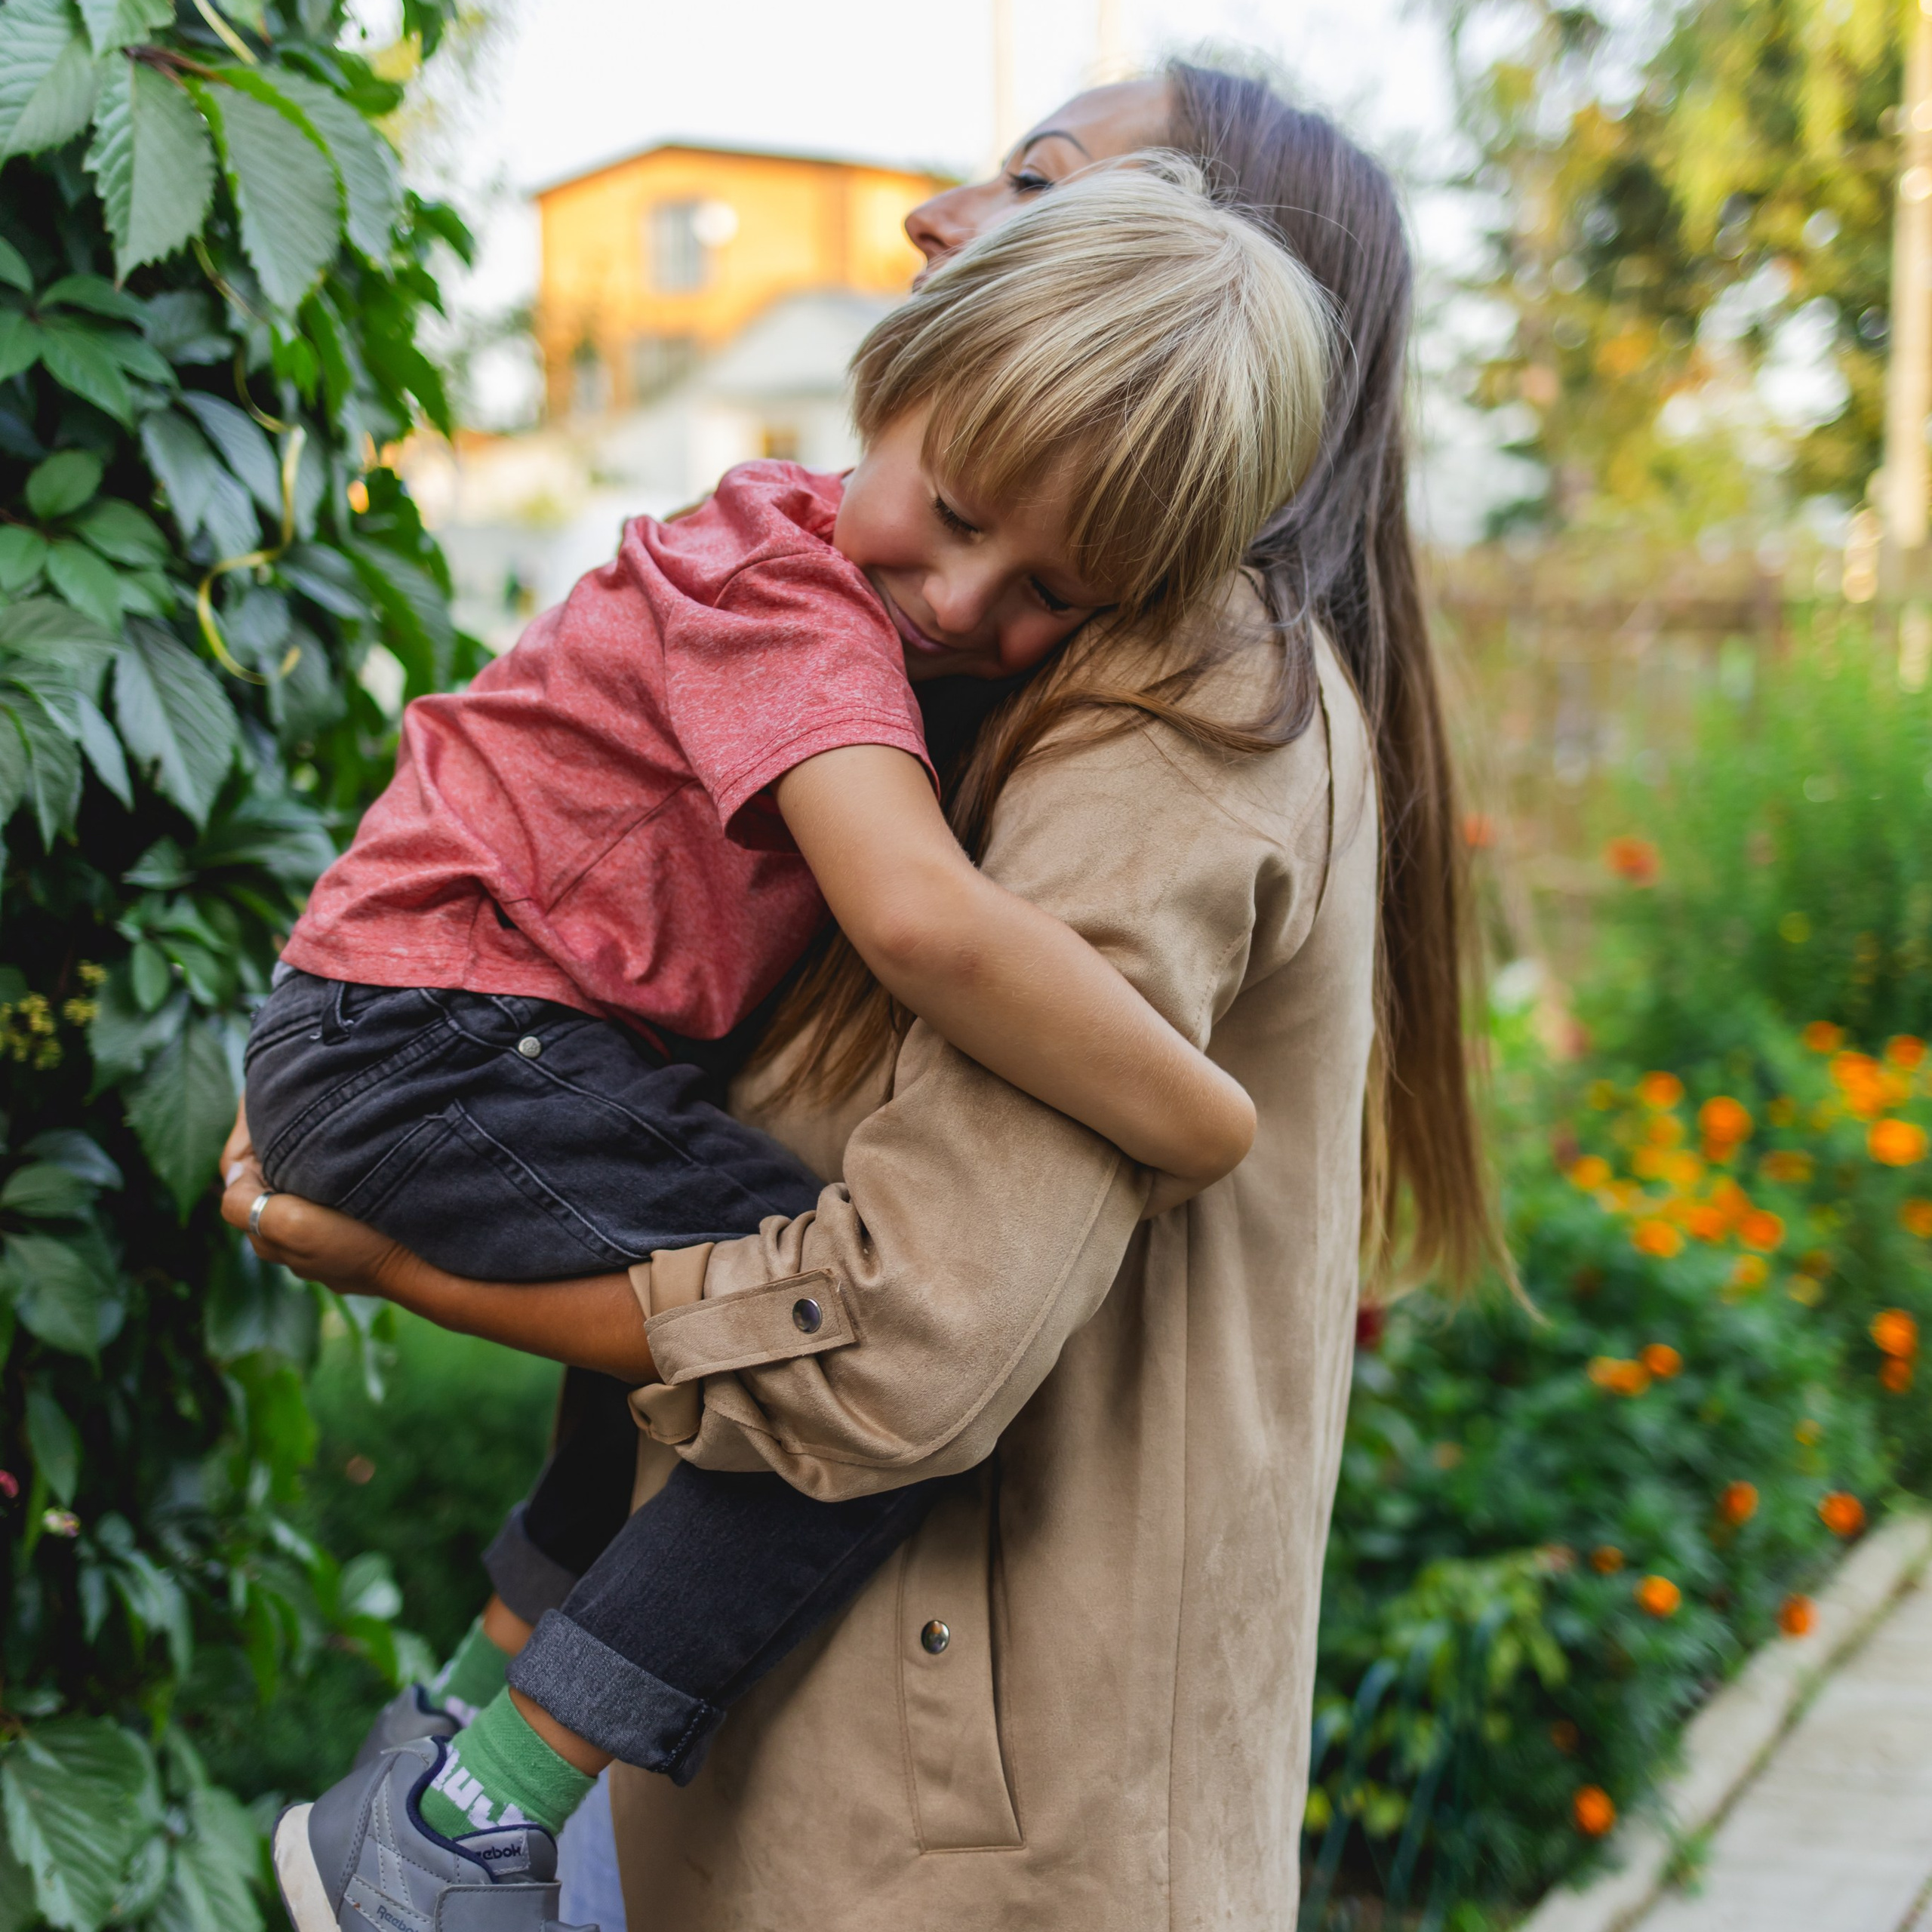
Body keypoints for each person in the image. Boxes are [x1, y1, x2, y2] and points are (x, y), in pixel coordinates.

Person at [231, 61, 1502, 1931]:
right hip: (848, 1759)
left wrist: (404, 1264)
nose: (934, 219)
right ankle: (461, 1778)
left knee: (778, 1307)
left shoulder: (1180, 696)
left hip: (949, 1840)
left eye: (1043, 186)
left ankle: (461, 1776)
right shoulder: (877, 605)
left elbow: (892, 1339)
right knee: (738, 1284)